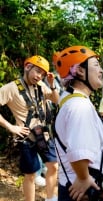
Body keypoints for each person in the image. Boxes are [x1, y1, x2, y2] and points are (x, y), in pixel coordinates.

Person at [53, 46, 103, 201]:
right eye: (96, 65)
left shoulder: (70, 99)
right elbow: (78, 151)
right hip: (84, 190)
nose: (101, 70)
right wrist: (83, 178)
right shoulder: (79, 106)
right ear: (80, 71)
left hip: (78, 186)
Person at [0, 55, 59, 201]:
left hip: (43, 135)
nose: (39, 76)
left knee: (53, 167)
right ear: (27, 67)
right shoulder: (11, 88)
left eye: (43, 74)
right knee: (31, 174)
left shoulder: (41, 86)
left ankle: (51, 198)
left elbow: (56, 100)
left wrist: (52, 84)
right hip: (26, 138)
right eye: (37, 71)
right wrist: (11, 127)